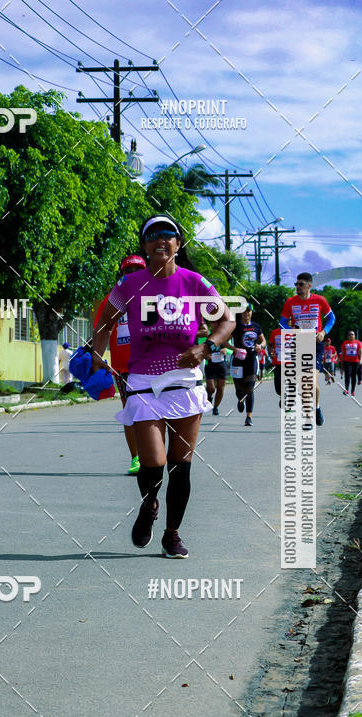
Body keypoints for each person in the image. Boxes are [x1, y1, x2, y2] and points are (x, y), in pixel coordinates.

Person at [91, 214, 234, 559]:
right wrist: (98, 355)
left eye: (168, 234)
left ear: (178, 243)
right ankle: (149, 503)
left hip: (185, 383)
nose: (161, 239)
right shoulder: (129, 285)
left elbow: (226, 320)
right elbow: (104, 323)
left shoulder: (195, 283)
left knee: (180, 465)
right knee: (153, 463)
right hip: (143, 382)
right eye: (153, 235)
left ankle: (172, 534)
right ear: (144, 244)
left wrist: (206, 347)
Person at [94, 255, 147, 474]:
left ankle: (153, 454)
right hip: (123, 366)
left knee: (153, 410)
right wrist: (96, 356)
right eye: (128, 270)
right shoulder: (112, 299)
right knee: (130, 411)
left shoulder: (154, 295)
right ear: (122, 274)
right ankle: (136, 458)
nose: (133, 273)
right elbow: (101, 329)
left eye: (138, 269)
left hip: (151, 364)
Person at [279, 272, 335, 426]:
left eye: (301, 284)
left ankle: (316, 408)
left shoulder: (319, 300)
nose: (297, 287)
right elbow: (282, 323)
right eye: (296, 284)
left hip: (315, 343)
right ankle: (308, 417)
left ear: (309, 285)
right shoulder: (290, 302)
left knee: (310, 381)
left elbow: (331, 318)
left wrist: (323, 332)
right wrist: (291, 330)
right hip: (299, 343)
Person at [225, 304, 265, 427]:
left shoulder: (256, 326)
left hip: (251, 359)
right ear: (241, 313)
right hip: (238, 360)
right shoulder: (235, 326)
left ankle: (249, 417)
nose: (246, 314)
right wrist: (234, 348)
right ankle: (240, 399)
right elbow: (223, 341)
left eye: (248, 311)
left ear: (251, 312)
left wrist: (261, 346)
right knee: (239, 388)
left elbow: (263, 340)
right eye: (244, 312)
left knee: (250, 388)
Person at [204, 337, 229, 416]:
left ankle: (215, 407)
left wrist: (226, 350)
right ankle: (209, 395)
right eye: (214, 323)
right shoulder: (207, 336)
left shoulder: (226, 335)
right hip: (210, 365)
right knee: (211, 388)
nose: (216, 325)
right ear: (211, 324)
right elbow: (200, 349)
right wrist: (206, 355)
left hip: (221, 365)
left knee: (220, 388)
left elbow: (231, 349)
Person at [341, 330, 362, 396]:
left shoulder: (358, 342)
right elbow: (343, 353)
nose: (351, 335)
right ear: (348, 336)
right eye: (350, 334)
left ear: (354, 336)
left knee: (353, 376)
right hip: (347, 361)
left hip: (355, 361)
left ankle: (353, 391)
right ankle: (346, 390)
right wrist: (341, 361)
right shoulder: (345, 342)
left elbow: (361, 352)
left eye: (352, 334)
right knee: (347, 375)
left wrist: (361, 360)